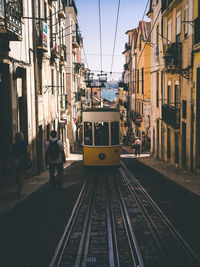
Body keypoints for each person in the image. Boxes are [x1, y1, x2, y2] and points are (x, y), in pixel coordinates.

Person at [11, 132, 29, 197]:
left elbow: (12, 153)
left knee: (17, 176)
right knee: (21, 176)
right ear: (22, 137)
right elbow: (27, 152)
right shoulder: (24, 144)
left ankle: (18, 189)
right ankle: (19, 192)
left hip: (16, 161)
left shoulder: (14, 145)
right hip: (22, 161)